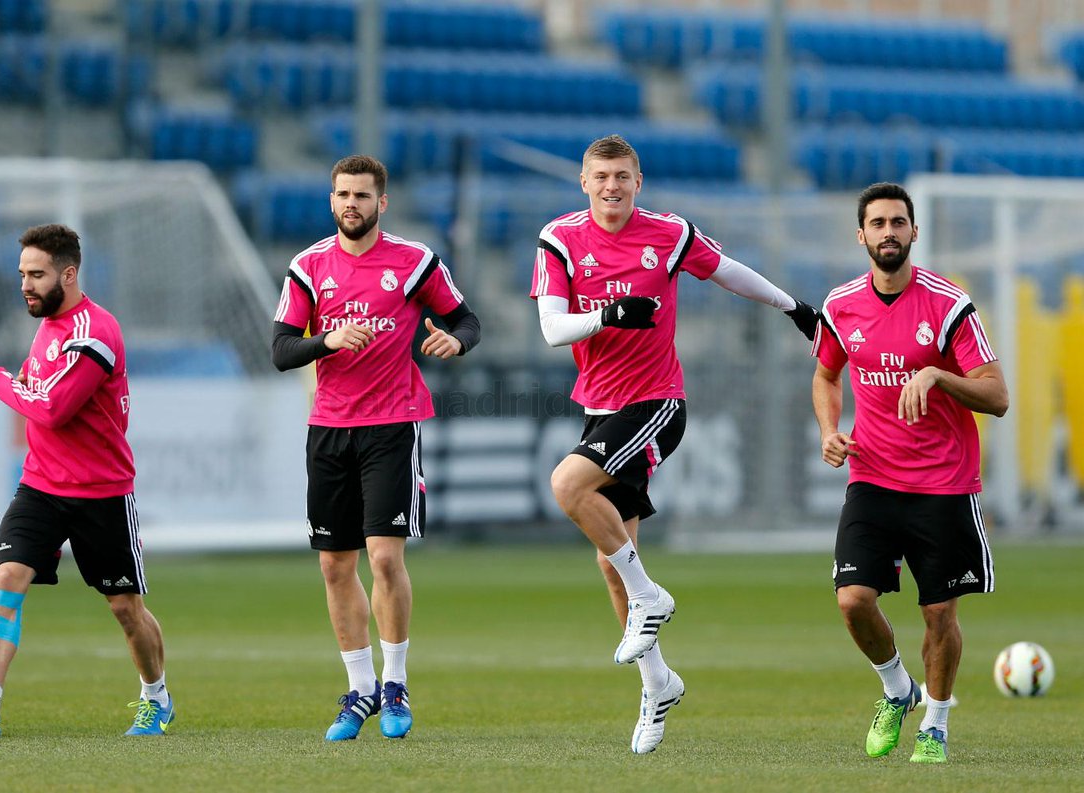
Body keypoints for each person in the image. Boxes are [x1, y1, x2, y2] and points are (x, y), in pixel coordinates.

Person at [530, 134, 820, 754]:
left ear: (639, 182)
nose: (612, 186)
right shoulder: (559, 239)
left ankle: (650, 595)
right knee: (611, 562)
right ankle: (657, 684)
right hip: (600, 409)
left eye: (622, 176)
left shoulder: (669, 233)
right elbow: (552, 328)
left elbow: (727, 271)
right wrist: (609, 315)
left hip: (657, 403)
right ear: (584, 183)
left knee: (566, 484)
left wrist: (791, 305)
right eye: (601, 176)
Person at [272, 154, 481, 742]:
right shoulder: (308, 266)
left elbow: (467, 320)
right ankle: (359, 688)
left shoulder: (414, 262)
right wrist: (327, 340)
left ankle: (395, 684)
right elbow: (281, 350)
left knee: (385, 559)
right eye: (343, 195)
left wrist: (456, 343)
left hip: (392, 426)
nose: (351, 204)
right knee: (334, 566)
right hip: (328, 429)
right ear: (331, 200)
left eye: (362, 195)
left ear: (381, 203)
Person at [0, 224, 174, 738]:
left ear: (68, 275)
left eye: (36, 275)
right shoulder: (48, 325)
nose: (25, 285)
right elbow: (37, 380)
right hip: (41, 486)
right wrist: (21, 378)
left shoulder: (96, 333)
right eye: (22, 274)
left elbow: (52, 409)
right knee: (8, 578)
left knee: (126, 609)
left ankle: (156, 697)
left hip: (101, 492)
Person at [811, 182, 1009, 764]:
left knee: (938, 613)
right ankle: (898, 688)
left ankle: (936, 726)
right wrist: (829, 429)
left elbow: (997, 396)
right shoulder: (840, 305)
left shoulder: (949, 305)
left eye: (899, 222)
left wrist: (938, 375)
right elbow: (826, 375)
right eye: (878, 223)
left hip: (943, 483)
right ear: (861, 235)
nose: (889, 232)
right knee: (853, 600)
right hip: (872, 475)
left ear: (914, 232)